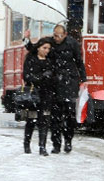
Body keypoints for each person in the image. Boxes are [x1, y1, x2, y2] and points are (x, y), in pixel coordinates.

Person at [24, 24, 86, 154]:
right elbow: (35, 49)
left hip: (70, 81)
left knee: (69, 114)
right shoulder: (50, 42)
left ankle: (68, 141)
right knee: (55, 116)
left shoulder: (72, 44)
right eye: (55, 35)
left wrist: (84, 79)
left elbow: (79, 61)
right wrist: (26, 40)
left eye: (59, 36)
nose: (57, 38)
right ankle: (56, 143)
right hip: (55, 83)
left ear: (65, 35)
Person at [22, 38, 54, 156]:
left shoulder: (49, 61)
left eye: (48, 49)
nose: (46, 51)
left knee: (44, 120)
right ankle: (27, 144)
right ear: (39, 48)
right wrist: (40, 77)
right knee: (31, 119)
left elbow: (52, 76)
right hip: (33, 93)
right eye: (44, 48)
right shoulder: (31, 59)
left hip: (46, 93)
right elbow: (26, 76)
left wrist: (50, 77)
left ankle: (42, 147)